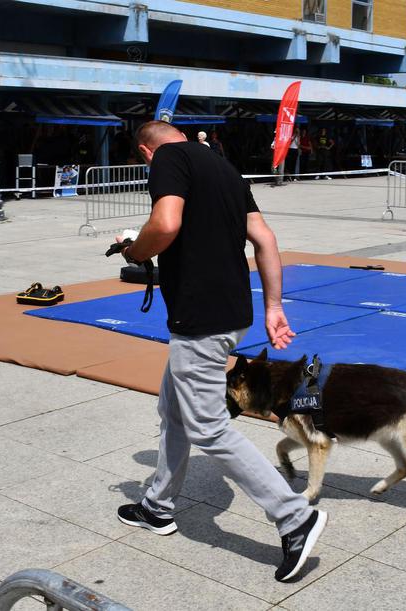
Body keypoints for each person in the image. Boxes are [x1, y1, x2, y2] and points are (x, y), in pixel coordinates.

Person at [115, 120, 326, 583]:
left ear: (146, 153)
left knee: (208, 427)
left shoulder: (168, 158)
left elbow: (166, 223)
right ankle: (157, 506)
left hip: (200, 318)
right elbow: (265, 240)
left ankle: (295, 517)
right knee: (173, 408)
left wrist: (134, 250)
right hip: (233, 311)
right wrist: (274, 306)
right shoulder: (225, 168)